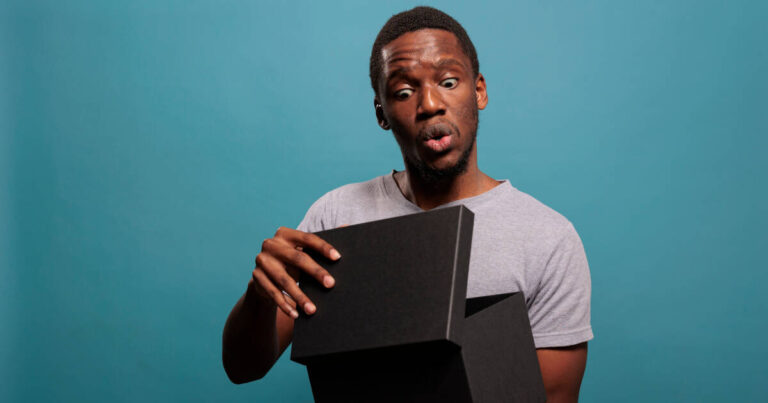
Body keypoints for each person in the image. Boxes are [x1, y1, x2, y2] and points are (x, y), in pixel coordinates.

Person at [223, 6, 592, 402]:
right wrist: (259, 296)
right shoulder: (336, 217)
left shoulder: (547, 238)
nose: (430, 103)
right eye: (403, 91)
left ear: (479, 91)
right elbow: (243, 368)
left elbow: (553, 397)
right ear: (381, 112)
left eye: (449, 81)